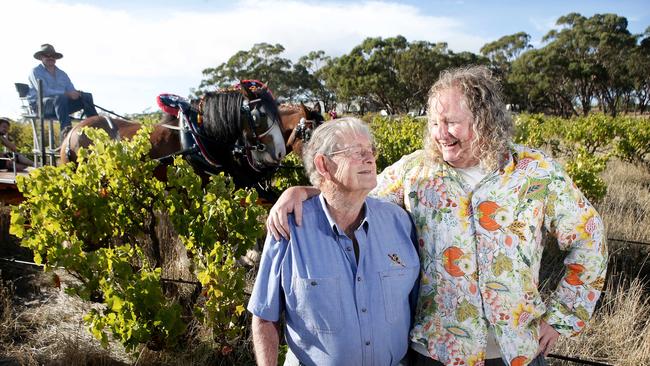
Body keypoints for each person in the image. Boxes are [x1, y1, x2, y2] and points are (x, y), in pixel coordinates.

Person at [266, 66, 608, 366]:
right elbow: (352, 194)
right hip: (437, 352)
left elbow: (589, 238)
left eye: (451, 122)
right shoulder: (415, 171)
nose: (440, 133)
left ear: (484, 120)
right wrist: (304, 191)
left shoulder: (535, 172)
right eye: (434, 122)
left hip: (516, 350)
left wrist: (563, 317)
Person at [248, 117, 420, 366]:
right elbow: (265, 317)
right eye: (356, 152)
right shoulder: (289, 229)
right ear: (323, 165)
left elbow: (414, 306)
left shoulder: (399, 222)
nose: (369, 158)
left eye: (370, 151)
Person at [28, 43, 98, 139]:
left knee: (86, 96)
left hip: (62, 106)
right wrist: (67, 94)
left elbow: (70, 89)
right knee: (61, 97)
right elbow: (44, 91)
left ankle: (96, 127)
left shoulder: (62, 74)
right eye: (46, 55)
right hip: (40, 106)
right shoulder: (35, 71)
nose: (50, 57)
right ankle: (66, 132)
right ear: (41, 57)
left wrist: (76, 94)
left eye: (52, 56)